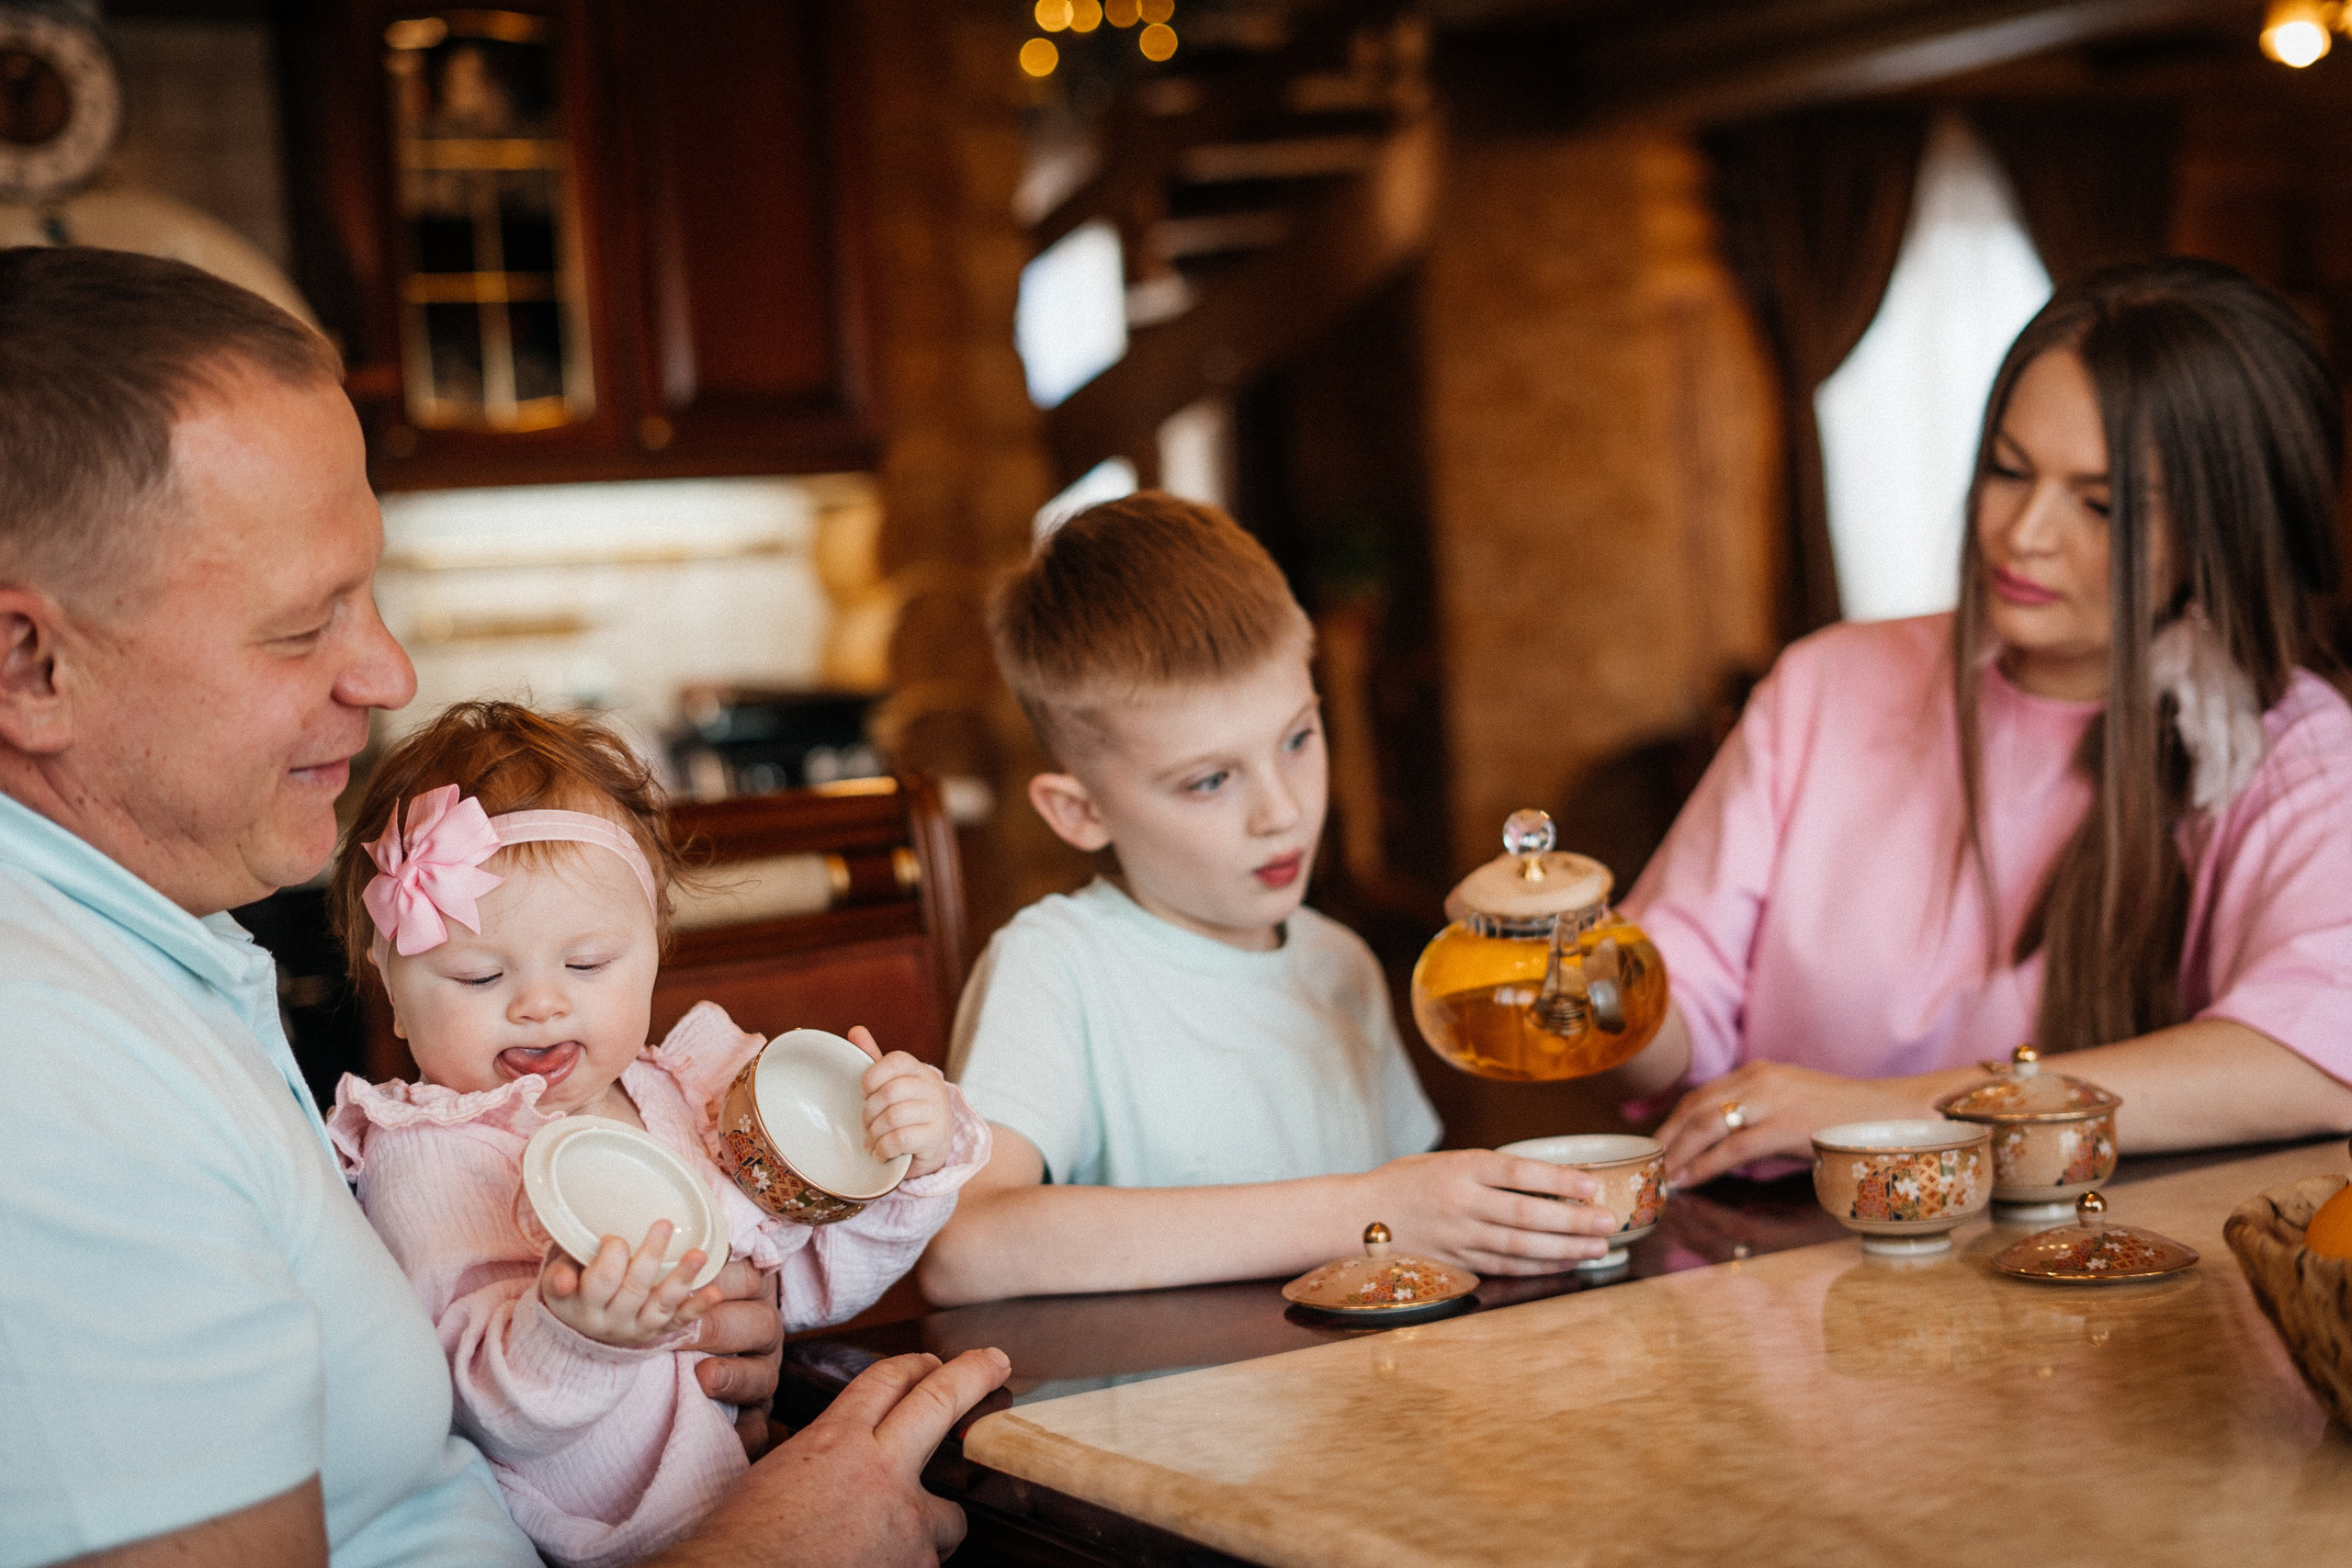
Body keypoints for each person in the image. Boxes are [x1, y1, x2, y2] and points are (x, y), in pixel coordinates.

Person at [0, 245, 1004, 1568]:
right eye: (306, 622)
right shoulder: (52, 1078)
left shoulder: (141, 954)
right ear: (31, 662)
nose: (388, 667)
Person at [1606, 258, 2352, 1187]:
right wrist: (1589, 995)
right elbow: (1675, 1019)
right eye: (2007, 470)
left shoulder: (2286, 749)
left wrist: (1894, 1114)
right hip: (1786, 1261)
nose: (2023, 531)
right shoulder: (1825, 684)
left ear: (2229, 532)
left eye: (2101, 505)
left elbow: (2314, 1061)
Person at [326, 703, 991, 1568]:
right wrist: (572, 1333)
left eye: (589, 963)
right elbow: (463, 1401)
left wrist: (905, 1154)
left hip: (768, 1500)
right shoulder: (431, 1154)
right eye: (480, 974)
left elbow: (820, 1276)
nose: (540, 1001)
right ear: (390, 984)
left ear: (654, 946)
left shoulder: (692, 1097)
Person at [918, 492, 1622, 1307]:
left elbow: (1407, 1250)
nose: (1282, 810)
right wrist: (1363, 1212)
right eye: (1211, 779)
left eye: (1298, 739)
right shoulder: (1057, 966)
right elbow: (966, 1250)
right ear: (1080, 812)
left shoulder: (1342, 965)